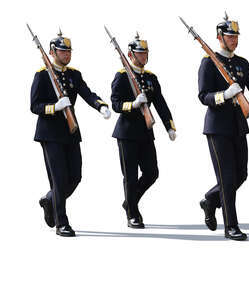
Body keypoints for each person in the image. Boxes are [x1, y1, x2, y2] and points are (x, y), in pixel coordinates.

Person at [198, 14, 249, 240]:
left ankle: (211, 200)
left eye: (235, 36)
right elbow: (203, 96)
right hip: (217, 127)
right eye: (229, 36)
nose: (234, 40)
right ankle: (230, 226)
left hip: (238, 126)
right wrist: (224, 95)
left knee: (241, 175)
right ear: (219, 37)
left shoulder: (242, 64)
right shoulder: (208, 62)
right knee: (226, 177)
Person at [30, 30, 111, 237]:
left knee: (75, 176)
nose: (67, 54)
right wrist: (54, 107)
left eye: (68, 51)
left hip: (70, 131)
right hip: (49, 133)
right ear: (52, 52)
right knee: (59, 178)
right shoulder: (42, 74)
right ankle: (61, 222)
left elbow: (86, 92)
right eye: (62, 51)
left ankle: (50, 200)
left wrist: (100, 105)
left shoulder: (74, 74)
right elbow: (34, 105)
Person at [111, 33, 176, 228]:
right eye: (140, 53)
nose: (144, 56)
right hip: (127, 133)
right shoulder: (122, 76)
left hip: (146, 132)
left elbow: (161, 104)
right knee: (130, 176)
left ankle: (129, 201)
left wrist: (169, 126)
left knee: (152, 173)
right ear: (131, 55)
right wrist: (133, 104)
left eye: (145, 53)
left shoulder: (150, 78)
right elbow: (115, 104)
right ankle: (133, 213)